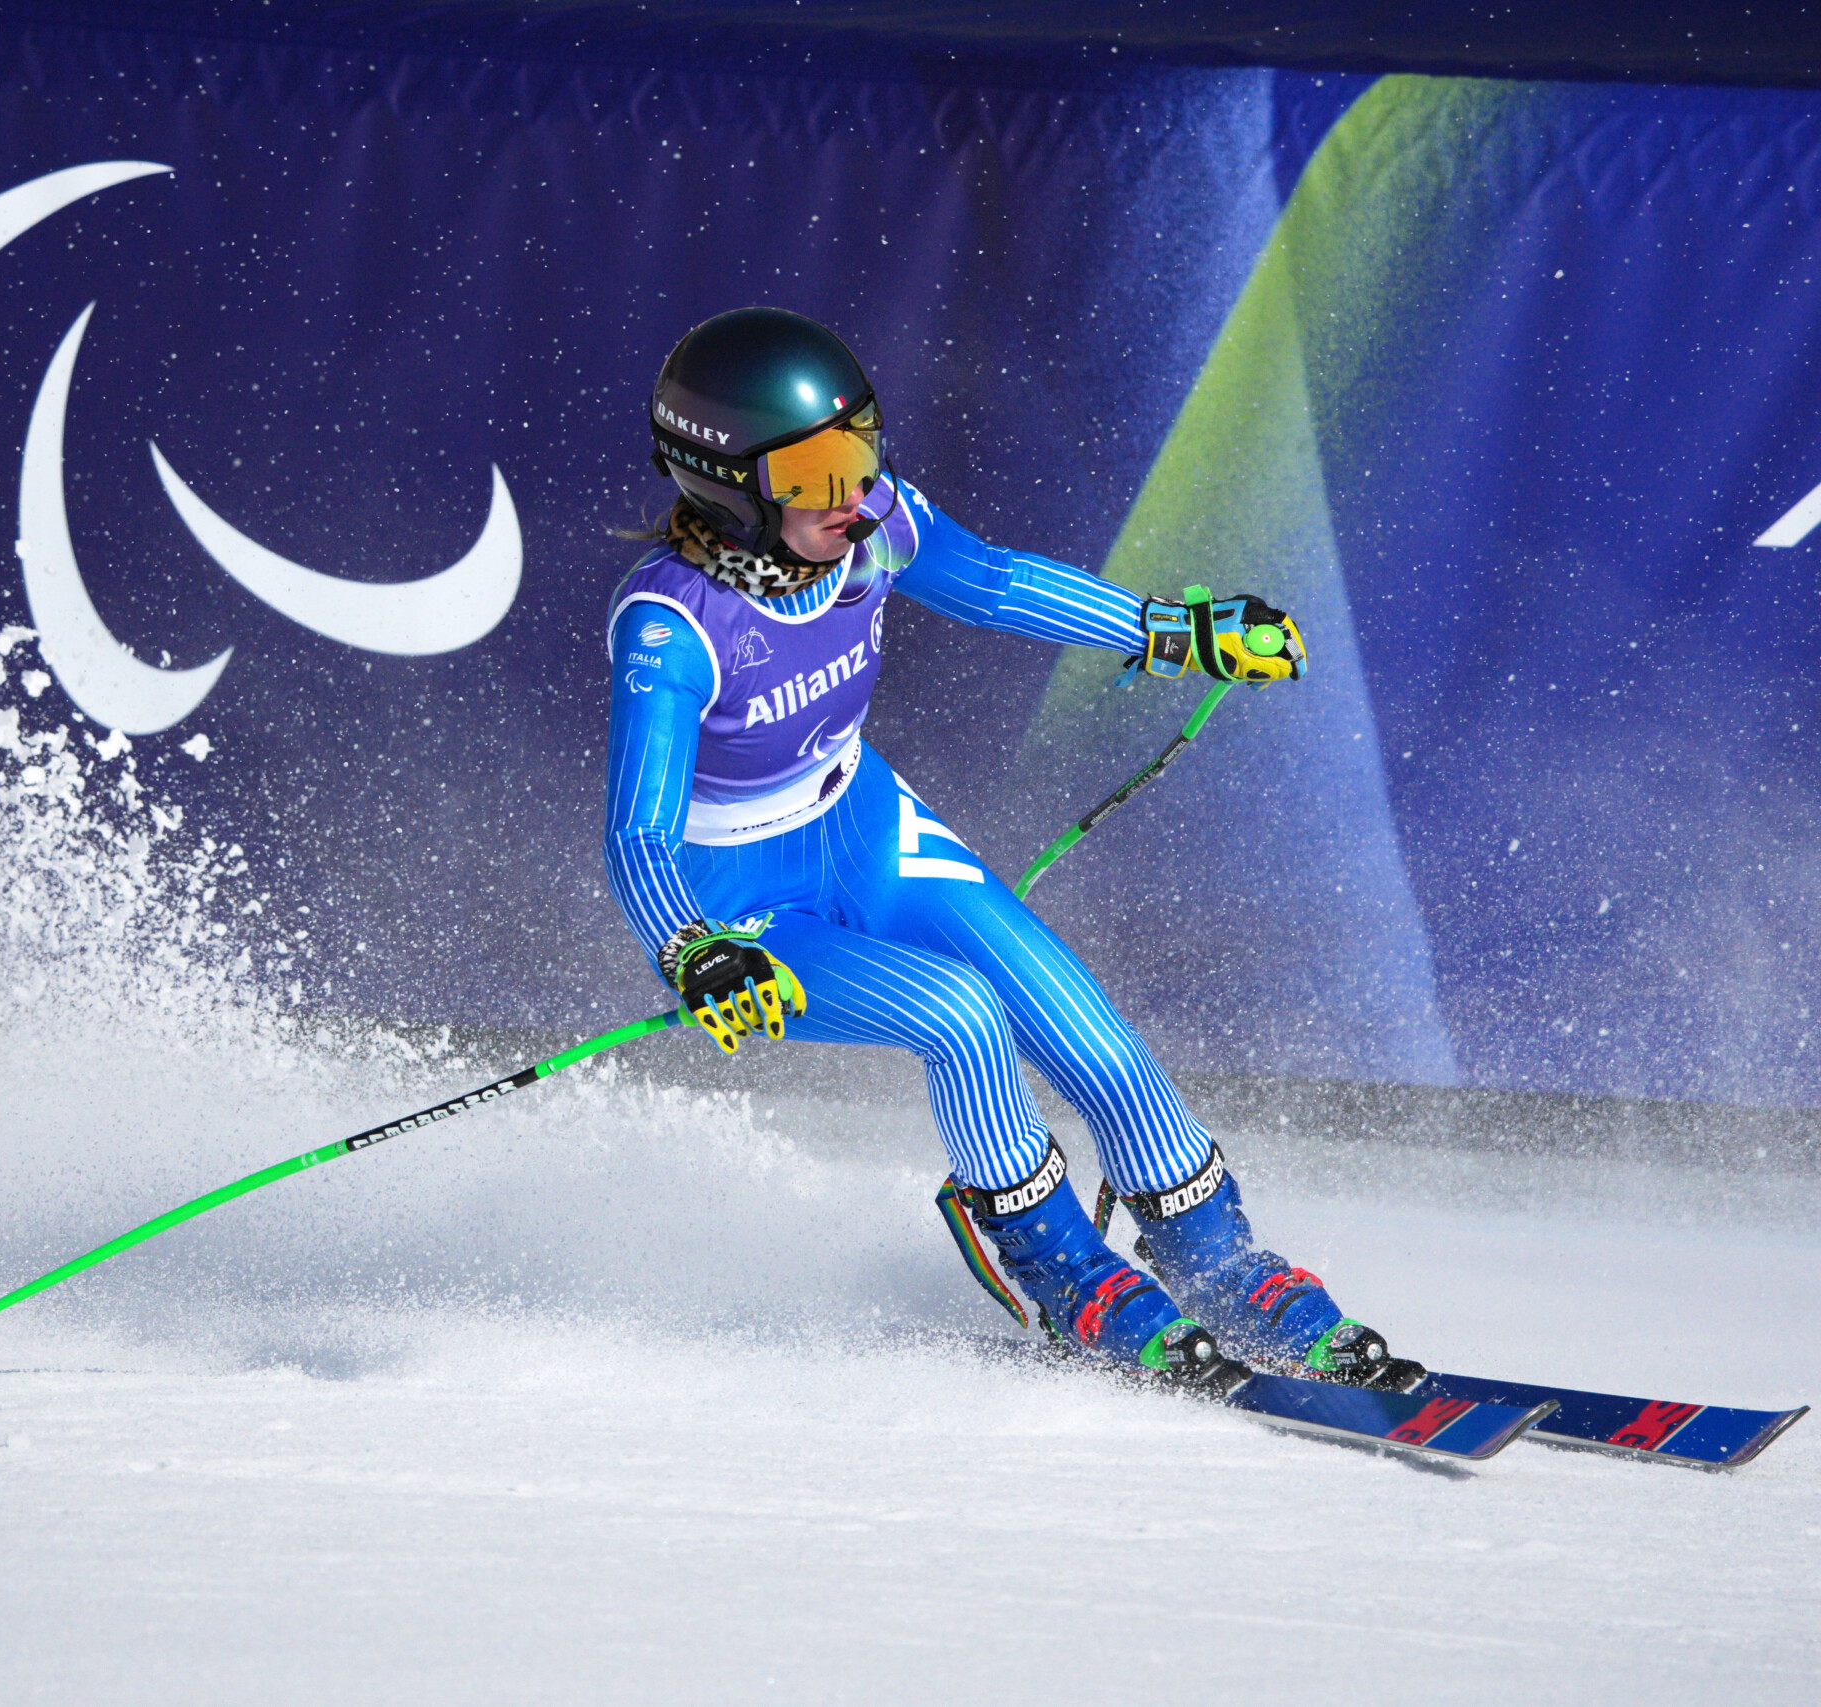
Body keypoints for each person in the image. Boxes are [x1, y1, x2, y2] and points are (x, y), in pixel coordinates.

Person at [603, 307, 1418, 1391]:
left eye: (857, 451)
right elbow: (636, 833)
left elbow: (990, 584)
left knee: (1089, 1035)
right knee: (962, 1018)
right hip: (743, 898)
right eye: (807, 476)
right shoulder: (674, 626)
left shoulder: (877, 526)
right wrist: (691, 948)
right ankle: (1059, 1268)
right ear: (723, 485)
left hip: (865, 829)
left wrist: (1170, 631)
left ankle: (1220, 1265)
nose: (848, 494)